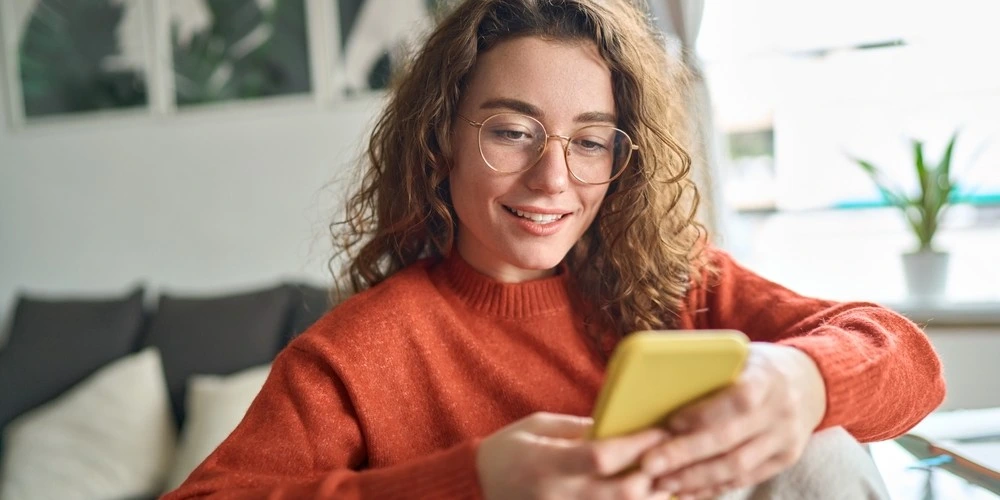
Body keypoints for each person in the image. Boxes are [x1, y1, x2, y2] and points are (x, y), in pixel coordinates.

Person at [163, 0, 945, 498]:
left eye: (591, 142)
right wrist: (476, 481)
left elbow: (910, 364)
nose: (553, 180)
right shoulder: (354, 355)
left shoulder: (680, 284)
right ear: (441, 141)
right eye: (511, 132)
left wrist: (802, 381)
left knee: (824, 448)